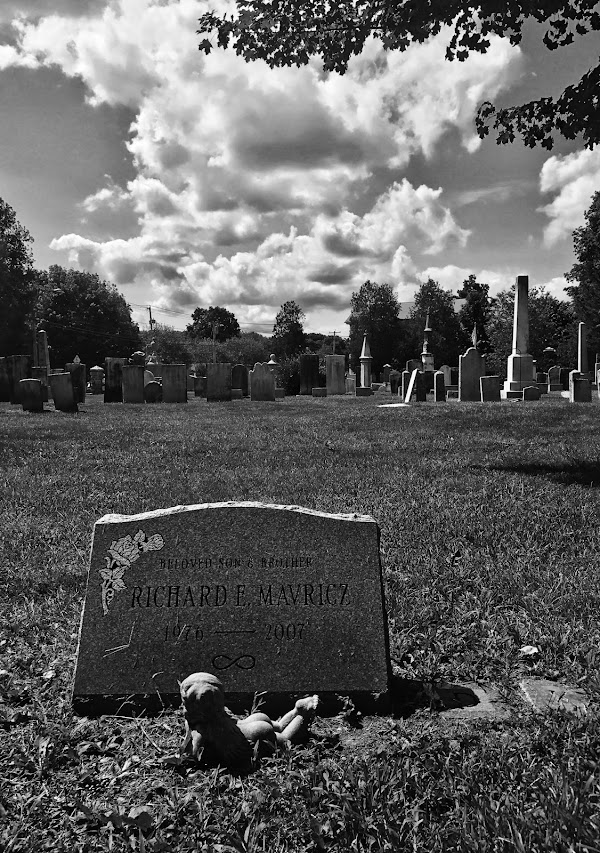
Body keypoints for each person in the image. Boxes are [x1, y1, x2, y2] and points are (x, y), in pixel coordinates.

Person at [180, 671, 319, 767]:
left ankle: (303, 714)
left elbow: (190, 757)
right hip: (252, 722)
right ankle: (296, 710)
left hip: (255, 736)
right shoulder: (221, 714)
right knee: (279, 726)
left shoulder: (201, 731)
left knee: (285, 739)